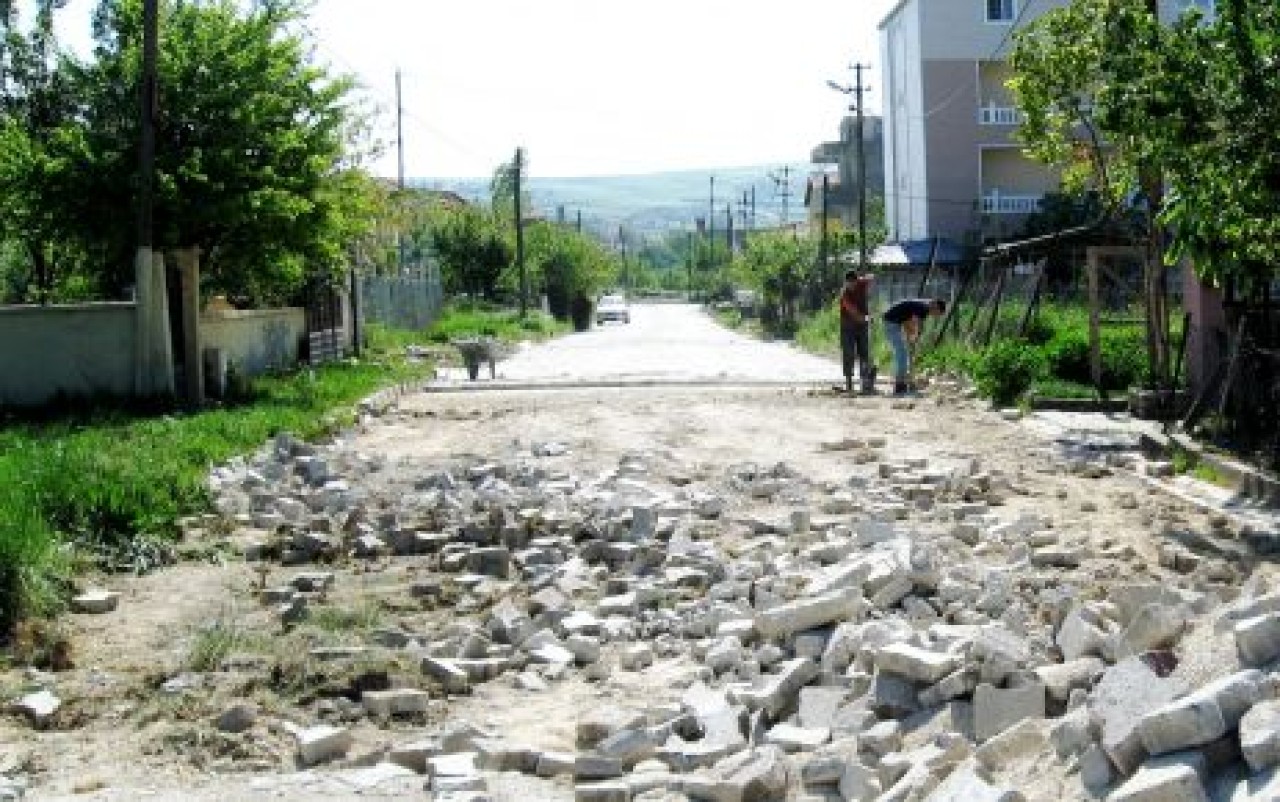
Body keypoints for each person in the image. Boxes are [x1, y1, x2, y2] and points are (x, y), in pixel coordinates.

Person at [882, 297, 946, 395]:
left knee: (903, 353)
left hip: (896, 321)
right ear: (936, 306)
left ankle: (905, 381)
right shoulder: (924, 308)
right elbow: (918, 327)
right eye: (937, 314)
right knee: (902, 353)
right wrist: (914, 339)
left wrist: (911, 339)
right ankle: (900, 384)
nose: (935, 316)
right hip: (891, 322)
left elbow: (907, 319)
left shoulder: (922, 306)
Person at [837, 270, 875, 394]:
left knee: (864, 352)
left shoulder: (861, 283)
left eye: (853, 283)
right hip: (847, 326)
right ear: (846, 283)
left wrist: (865, 280)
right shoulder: (844, 295)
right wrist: (867, 318)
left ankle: (865, 383)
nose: (851, 285)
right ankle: (849, 382)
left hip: (862, 326)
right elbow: (855, 314)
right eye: (849, 283)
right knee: (848, 353)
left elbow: (871, 277)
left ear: (856, 281)